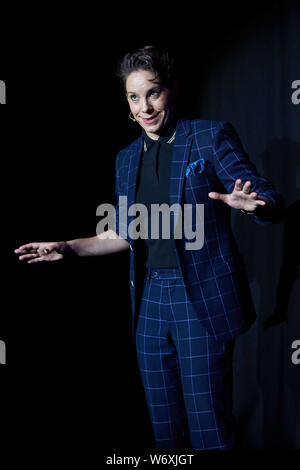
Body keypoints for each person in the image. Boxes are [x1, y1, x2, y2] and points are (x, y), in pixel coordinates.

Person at [15, 45, 285, 450]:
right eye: (134, 96)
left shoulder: (209, 137)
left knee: (209, 427)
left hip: (201, 298)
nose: (145, 106)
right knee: (165, 433)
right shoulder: (126, 159)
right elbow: (123, 233)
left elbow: (269, 199)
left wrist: (254, 204)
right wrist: (68, 247)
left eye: (153, 93)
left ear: (172, 90)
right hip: (150, 300)